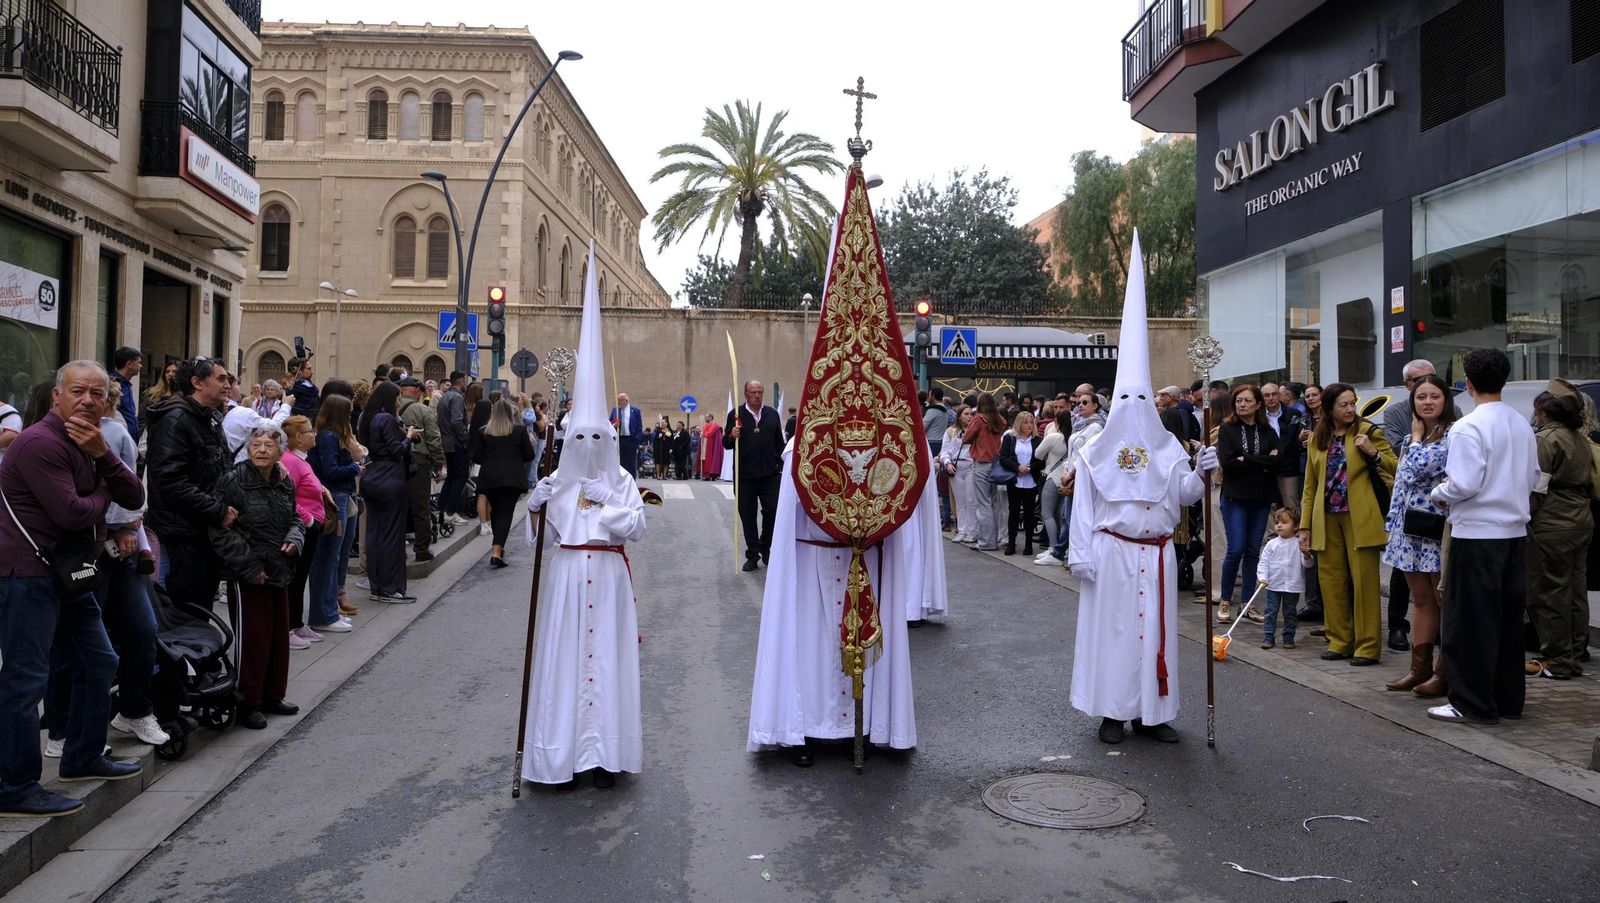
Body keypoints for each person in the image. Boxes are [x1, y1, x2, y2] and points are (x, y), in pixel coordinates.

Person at [1069, 236, 1218, 745]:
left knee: (1156, 633)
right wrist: (1081, 554)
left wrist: (1204, 470)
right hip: (1112, 553)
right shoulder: (1095, 449)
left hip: (1156, 556)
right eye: (1125, 397)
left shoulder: (1169, 446)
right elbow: (1084, 507)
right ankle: (1114, 711)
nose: (1134, 407)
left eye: (1142, 397)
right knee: (1114, 636)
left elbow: (1186, 496)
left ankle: (1152, 715)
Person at [521, 251, 647, 789]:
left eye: (600, 438)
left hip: (611, 578)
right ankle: (562, 756)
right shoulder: (561, 481)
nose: (591, 447)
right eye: (581, 438)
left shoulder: (617, 481)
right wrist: (535, 506)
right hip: (570, 580)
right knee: (565, 664)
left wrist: (610, 500)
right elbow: (540, 541)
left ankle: (604, 756)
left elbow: (637, 528)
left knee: (608, 664)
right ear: (570, 440)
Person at [0, 361, 146, 817]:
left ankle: (82, 756)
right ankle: (13, 786)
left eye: (97, 394)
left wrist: (103, 458)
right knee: (26, 681)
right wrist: (104, 490)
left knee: (99, 660)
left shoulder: (91, 442)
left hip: (68, 575)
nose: (88, 400)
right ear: (57, 395)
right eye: (78, 391)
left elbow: (136, 496)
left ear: (107, 401)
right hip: (27, 576)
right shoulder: (39, 443)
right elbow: (72, 513)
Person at [1426, 349, 1540, 724]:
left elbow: (1464, 483)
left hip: (1477, 533)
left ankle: (1471, 701)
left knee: (1471, 620)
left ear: (1468, 383)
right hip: (1514, 532)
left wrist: (1439, 492)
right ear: (1504, 381)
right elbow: (1533, 477)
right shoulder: (1522, 424)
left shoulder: (1468, 426)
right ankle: (1508, 700)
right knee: (1508, 621)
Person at [211, 425, 304, 730]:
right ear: (248, 449)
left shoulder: (283, 481)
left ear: (281, 452)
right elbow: (220, 531)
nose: (262, 450)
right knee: (254, 638)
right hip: (249, 572)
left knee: (278, 635)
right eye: (257, 445)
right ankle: (248, 701)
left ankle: (273, 696)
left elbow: (295, 517)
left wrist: (295, 537)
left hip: (280, 567)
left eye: (269, 445)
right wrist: (249, 566)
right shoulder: (233, 481)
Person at [1297, 383, 1396, 666]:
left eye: (1352, 403)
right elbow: (1309, 485)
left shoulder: (1369, 432)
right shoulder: (1318, 438)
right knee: (1330, 581)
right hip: (1326, 517)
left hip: (1360, 516)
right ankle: (1340, 640)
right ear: (1329, 409)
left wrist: (1373, 453)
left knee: (1364, 582)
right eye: (1344, 405)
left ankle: (1367, 646)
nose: (1351, 409)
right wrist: (1305, 526)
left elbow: (1397, 466)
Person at [1378, 359, 1460, 651]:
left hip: (1436, 531)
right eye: (1421, 397)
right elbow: (1400, 483)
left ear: (1445, 400)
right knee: (1422, 600)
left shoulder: (1452, 434)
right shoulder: (1408, 439)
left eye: (1434, 396)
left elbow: (1416, 469)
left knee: (1442, 600)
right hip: (1408, 530)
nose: (1427, 402)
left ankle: (1446, 671)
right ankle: (1419, 667)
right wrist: (1393, 525)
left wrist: (1414, 439)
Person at [146, 356, 233, 609]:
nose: (227, 384)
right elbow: (171, 482)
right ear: (197, 382)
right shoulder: (176, 419)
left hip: (202, 531)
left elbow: (219, 467)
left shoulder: (208, 417)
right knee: (184, 611)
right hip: (182, 535)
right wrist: (218, 511)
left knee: (200, 605)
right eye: (221, 378)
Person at [1525, 379, 1594, 681]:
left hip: (1552, 523)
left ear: (1545, 411)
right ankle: (1577, 651)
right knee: (1576, 590)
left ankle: (1559, 660)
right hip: (1581, 519)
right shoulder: (1580, 438)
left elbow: (1537, 488)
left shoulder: (1545, 439)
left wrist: (1525, 516)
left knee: (1549, 592)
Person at [1215, 384, 1283, 622]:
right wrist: (1261, 462)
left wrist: (1249, 459)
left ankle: (1248, 604)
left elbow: (1277, 461)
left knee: (1254, 550)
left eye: (1246, 401)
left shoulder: (1267, 430)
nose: (1242, 405)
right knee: (1236, 549)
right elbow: (1229, 462)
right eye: (1238, 401)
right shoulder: (1227, 428)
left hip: (1260, 497)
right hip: (1235, 496)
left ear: (1258, 404)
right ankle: (1225, 600)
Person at [279, 416, 338, 644]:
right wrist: (310, 521)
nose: (314, 434)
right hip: (303, 528)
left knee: (300, 577)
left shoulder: (301, 459)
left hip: (310, 527)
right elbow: (287, 497)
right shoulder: (291, 461)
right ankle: (289, 627)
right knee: (295, 578)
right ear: (298, 438)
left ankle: (297, 623)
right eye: (310, 431)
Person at [359, 381, 418, 603]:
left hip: (373, 477)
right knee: (392, 535)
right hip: (390, 479)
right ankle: (390, 588)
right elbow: (397, 451)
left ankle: (377, 587)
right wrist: (409, 437)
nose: (399, 401)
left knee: (374, 533)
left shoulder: (369, 417)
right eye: (397, 397)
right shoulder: (387, 419)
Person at [308, 395, 362, 627]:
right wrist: (355, 467)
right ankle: (324, 614)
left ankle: (329, 610)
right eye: (348, 414)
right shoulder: (329, 438)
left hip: (341, 495)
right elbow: (331, 471)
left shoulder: (330, 436)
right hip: (335, 496)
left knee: (334, 555)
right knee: (329, 556)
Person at [724, 380, 783, 571]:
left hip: (769, 475)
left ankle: (766, 545)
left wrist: (784, 466)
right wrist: (732, 435)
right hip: (745, 476)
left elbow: (779, 444)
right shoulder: (735, 415)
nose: (757, 395)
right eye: (753, 392)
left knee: (773, 512)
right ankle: (753, 554)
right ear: (745, 394)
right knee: (748, 517)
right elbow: (726, 443)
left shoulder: (772, 414)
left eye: (759, 391)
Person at [1044, 392, 1106, 565]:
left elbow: (1088, 455)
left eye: (1085, 402)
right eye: (1079, 402)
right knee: (1068, 516)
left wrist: (1071, 473)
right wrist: (1066, 470)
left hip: (1081, 477)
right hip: (1071, 475)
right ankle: (1062, 552)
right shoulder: (1079, 425)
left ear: (1095, 405)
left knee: (1073, 517)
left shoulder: (1095, 427)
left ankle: (1073, 554)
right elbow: (1071, 453)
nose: (1080, 405)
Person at [474, 399, 534, 569]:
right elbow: (529, 455)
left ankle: (499, 548)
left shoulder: (484, 432)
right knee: (505, 514)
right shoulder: (519, 431)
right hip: (511, 478)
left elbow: (477, 456)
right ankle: (496, 551)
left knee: (497, 513)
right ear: (509, 413)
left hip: (490, 477)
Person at [397, 377, 442, 563]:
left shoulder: (392, 409)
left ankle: (397, 547)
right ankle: (422, 549)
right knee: (421, 508)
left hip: (395, 462)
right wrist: (439, 464)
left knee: (398, 507)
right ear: (417, 391)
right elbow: (433, 439)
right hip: (419, 463)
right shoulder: (422, 410)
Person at [1258, 507, 1308, 649]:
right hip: (1273, 584)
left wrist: (1306, 555)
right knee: (1270, 611)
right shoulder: (1271, 544)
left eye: (1284, 522)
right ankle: (1268, 636)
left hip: (1292, 586)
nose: (1279, 525)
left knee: (1290, 611)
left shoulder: (1298, 544)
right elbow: (1263, 562)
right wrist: (1262, 577)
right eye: (1277, 522)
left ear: (1296, 526)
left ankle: (1288, 636)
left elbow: (1307, 565)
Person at [962, 393, 1006, 551]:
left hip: (981, 463)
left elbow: (965, 438)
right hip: (994, 464)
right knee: (993, 503)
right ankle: (993, 540)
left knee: (983, 504)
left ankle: (986, 542)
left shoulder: (978, 419)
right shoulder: (999, 420)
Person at [1034, 406, 1073, 565]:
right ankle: (1062, 548)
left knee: (1047, 514)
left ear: (1056, 422)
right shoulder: (1073, 437)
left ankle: (1053, 547)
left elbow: (1038, 454)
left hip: (1052, 476)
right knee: (1061, 515)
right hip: (1067, 480)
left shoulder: (1054, 437)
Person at [999, 410, 1042, 557]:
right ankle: (1011, 543)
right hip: (1015, 480)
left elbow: (1042, 461)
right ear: (1019, 423)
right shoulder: (1010, 439)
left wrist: (1030, 468)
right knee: (1014, 512)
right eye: (1026, 422)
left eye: (1031, 422)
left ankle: (1028, 544)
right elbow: (1003, 458)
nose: (1029, 425)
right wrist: (1017, 467)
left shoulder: (1037, 440)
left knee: (1030, 513)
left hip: (1031, 481)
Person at [223, 374, 293, 461]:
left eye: (272, 389)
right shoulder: (242, 412)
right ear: (229, 391)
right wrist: (286, 405)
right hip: (238, 462)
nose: (239, 387)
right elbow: (273, 426)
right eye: (236, 384)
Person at [436, 372, 470, 523]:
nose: (466, 385)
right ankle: (450, 511)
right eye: (465, 381)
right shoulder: (456, 397)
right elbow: (457, 422)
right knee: (460, 476)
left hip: (448, 442)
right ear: (461, 381)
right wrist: (465, 438)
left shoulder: (445, 396)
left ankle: (442, 508)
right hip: (456, 443)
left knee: (451, 476)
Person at [942, 406, 976, 543]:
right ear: (959, 416)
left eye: (971, 414)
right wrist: (947, 463)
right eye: (966, 414)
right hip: (955, 467)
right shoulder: (951, 431)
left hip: (971, 466)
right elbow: (945, 451)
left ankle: (972, 531)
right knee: (960, 502)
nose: (969, 417)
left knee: (971, 500)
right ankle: (962, 530)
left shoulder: (975, 431)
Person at [111, 346, 142, 443]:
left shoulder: (127, 385)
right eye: (139, 362)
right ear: (129, 364)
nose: (141, 366)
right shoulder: (112, 384)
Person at [609, 392, 643, 478]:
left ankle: (631, 480)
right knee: (620, 461)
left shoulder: (635, 411)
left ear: (626, 400)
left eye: (620, 400)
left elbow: (639, 426)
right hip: (619, 439)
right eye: (618, 400)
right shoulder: (615, 410)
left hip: (631, 439)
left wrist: (637, 439)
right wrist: (614, 425)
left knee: (631, 462)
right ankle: (620, 480)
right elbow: (609, 424)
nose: (618, 402)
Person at [287, 356, 320, 422]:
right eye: (308, 369)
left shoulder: (310, 387)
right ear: (299, 371)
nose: (312, 372)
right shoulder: (293, 388)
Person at [698, 413, 723, 481]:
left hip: (712, 446)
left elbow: (718, 439)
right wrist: (701, 435)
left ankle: (713, 475)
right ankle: (706, 475)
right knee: (704, 459)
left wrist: (704, 434)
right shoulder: (704, 426)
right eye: (705, 417)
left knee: (712, 459)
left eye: (707, 417)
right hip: (705, 445)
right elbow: (703, 435)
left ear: (711, 417)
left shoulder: (715, 426)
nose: (706, 419)